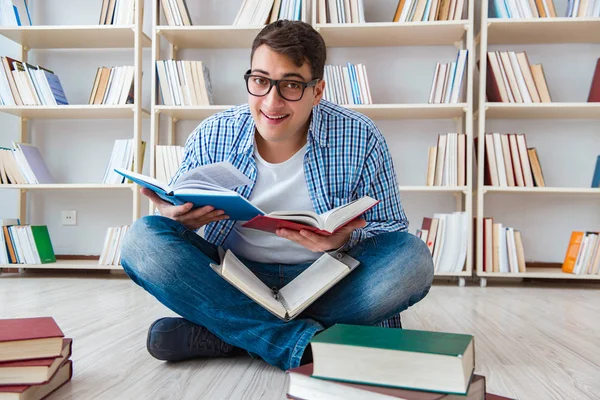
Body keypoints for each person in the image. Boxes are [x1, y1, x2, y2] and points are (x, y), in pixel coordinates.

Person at [120, 20, 434, 372]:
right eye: (260, 81)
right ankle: (297, 342)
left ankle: (232, 333)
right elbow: (177, 220)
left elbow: (391, 230)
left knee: (413, 258)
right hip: (234, 279)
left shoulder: (361, 135)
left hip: (326, 281)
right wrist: (177, 217)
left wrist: (344, 238)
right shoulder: (213, 134)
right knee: (141, 241)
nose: (272, 101)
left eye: (291, 85)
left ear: (317, 91)